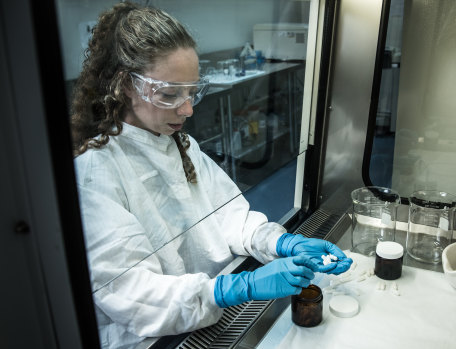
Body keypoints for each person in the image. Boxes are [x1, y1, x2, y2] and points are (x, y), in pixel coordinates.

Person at [70, 2, 352, 348]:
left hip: (206, 316)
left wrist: (281, 242)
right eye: (170, 94)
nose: (187, 110)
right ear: (127, 85)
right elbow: (133, 295)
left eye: (191, 92)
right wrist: (238, 287)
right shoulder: (93, 171)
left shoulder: (180, 144)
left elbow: (228, 216)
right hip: (149, 338)